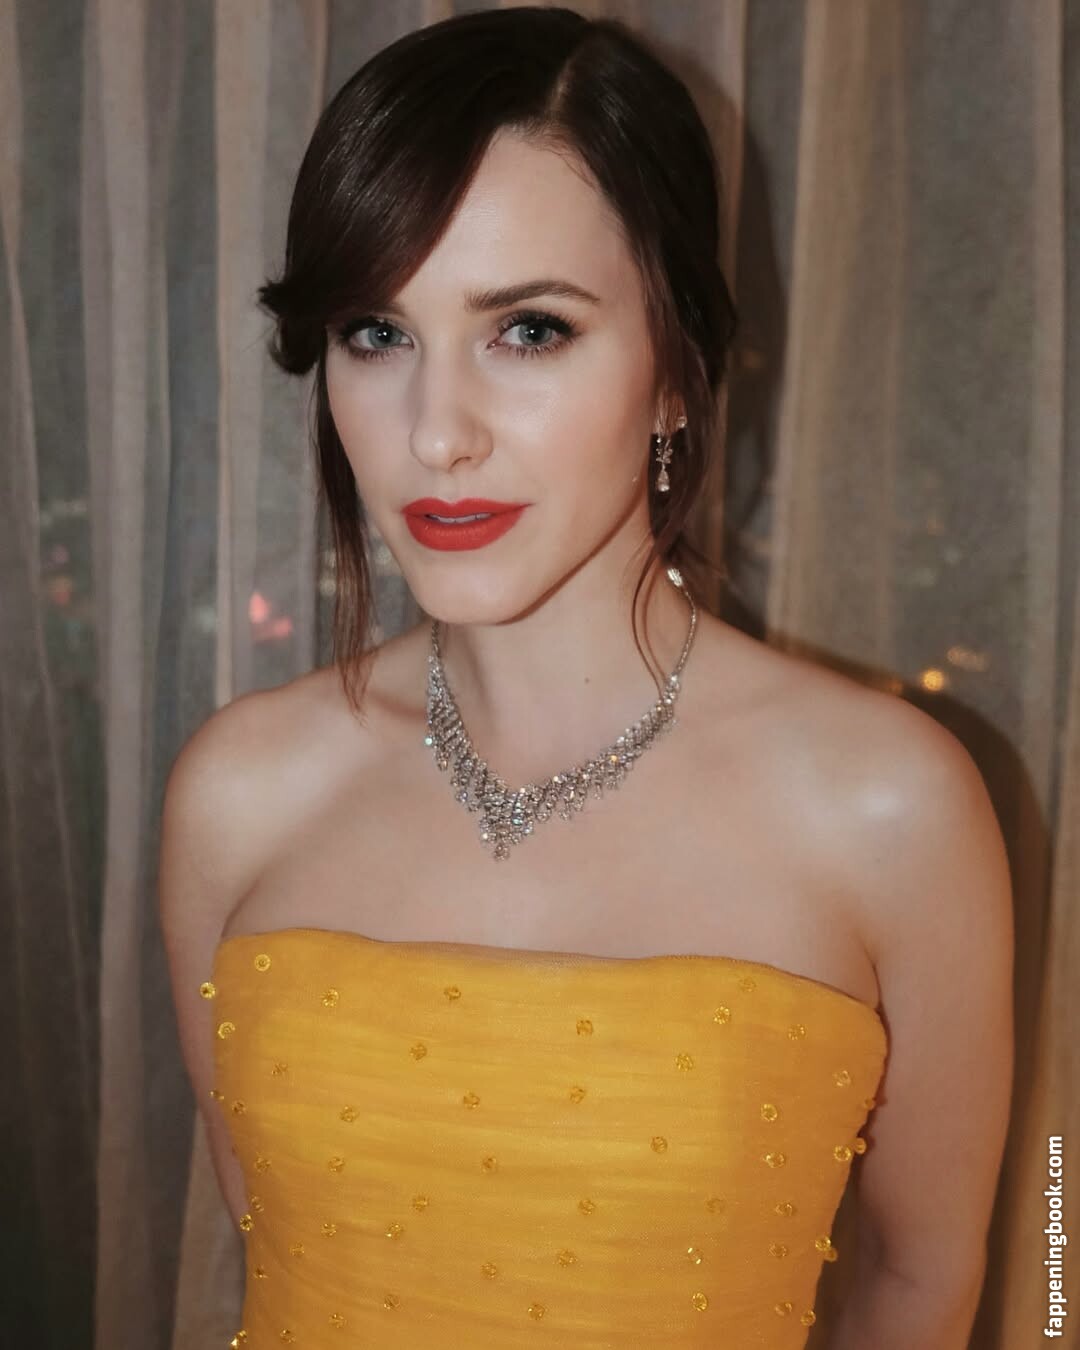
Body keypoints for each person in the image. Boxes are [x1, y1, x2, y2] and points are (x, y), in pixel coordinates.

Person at [159, 7, 1013, 1347]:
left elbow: (928, 1275)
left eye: (530, 330)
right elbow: (273, 1240)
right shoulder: (241, 792)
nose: (437, 433)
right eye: (377, 332)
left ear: (676, 372)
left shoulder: (890, 808)